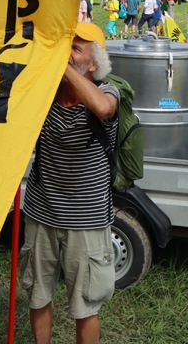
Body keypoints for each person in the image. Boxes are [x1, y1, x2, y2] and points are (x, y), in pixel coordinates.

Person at [21, 21, 119, 344]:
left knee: (85, 306)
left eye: (76, 48)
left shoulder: (108, 92)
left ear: (93, 64)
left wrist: (62, 67)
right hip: (41, 212)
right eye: (66, 45)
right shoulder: (45, 92)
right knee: (38, 293)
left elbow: (104, 109)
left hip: (86, 221)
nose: (67, 52)